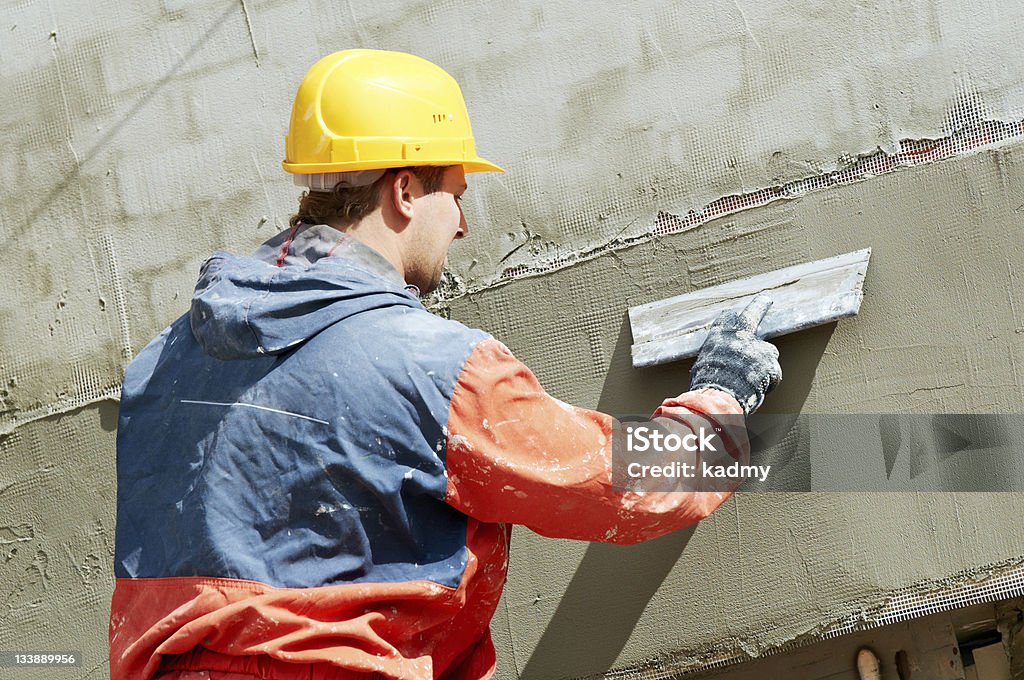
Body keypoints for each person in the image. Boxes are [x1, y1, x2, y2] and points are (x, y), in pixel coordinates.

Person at [109, 49, 781, 680]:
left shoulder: (158, 368)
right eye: (456, 193)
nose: (461, 223)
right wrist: (719, 400)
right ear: (404, 190)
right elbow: (621, 489)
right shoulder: (433, 370)